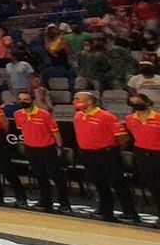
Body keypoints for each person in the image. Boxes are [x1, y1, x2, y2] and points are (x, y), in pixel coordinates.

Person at [72, 91, 135, 223]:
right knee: (99, 183)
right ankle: (105, 209)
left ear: (89, 101)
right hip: (88, 154)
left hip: (106, 153)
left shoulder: (107, 116)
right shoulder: (78, 116)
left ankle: (130, 212)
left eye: (78, 99)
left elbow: (123, 137)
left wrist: (112, 150)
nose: (74, 102)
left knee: (117, 182)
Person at [12, 89, 70, 213]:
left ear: (32, 100)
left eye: (26, 99)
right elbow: (22, 130)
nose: (23, 102)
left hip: (47, 148)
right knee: (39, 175)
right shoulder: (17, 114)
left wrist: (59, 147)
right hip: (31, 148)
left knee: (56, 176)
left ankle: (64, 203)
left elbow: (55, 132)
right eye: (20, 99)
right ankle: (45, 201)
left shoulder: (44, 114)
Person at [125, 92, 160, 226]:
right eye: (133, 102)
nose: (136, 104)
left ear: (147, 102)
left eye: (138, 101)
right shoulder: (130, 119)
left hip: (158, 152)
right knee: (153, 186)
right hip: (141, 152)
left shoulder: (158, 117)